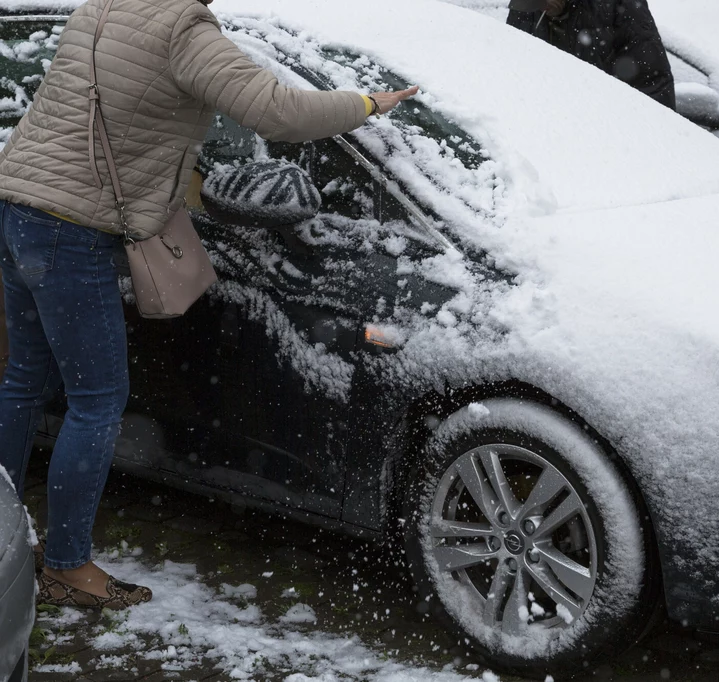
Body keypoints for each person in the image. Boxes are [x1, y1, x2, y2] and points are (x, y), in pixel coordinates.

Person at [0, 0, 417, 610]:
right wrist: (367, 104)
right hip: (70, 231)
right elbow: (278, 112)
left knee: (21, 381)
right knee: (97, 403)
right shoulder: (182, 27)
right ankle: (66, 564)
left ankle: (8, 541)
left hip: (18, 209)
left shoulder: (103, 6)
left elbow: (112, 111)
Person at [507, 0, 676, 109]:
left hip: (604, 130)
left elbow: (652, 82)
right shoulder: (526, 7)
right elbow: (509, 68)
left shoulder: (620, 6)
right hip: (543, 123)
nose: (540, 6)